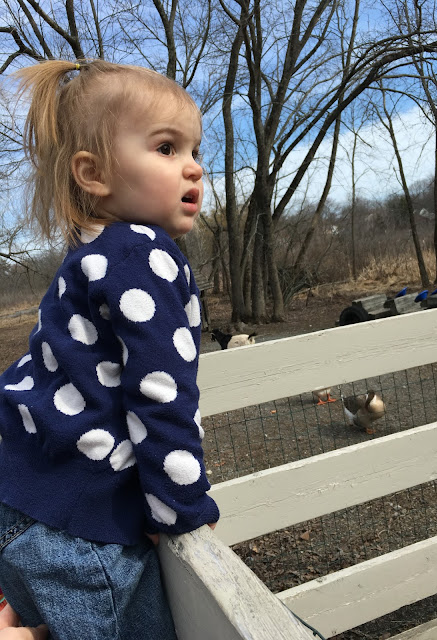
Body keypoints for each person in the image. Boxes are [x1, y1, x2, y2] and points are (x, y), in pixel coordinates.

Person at [0, 59, 220, 640]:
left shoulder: (88, 258)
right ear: (92, 174)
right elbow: (161, 393)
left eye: (195, 150)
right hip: (82, 533)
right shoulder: (142, 255)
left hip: (26, 500)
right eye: (167, 148)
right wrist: (182, 510)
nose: (194, 167)